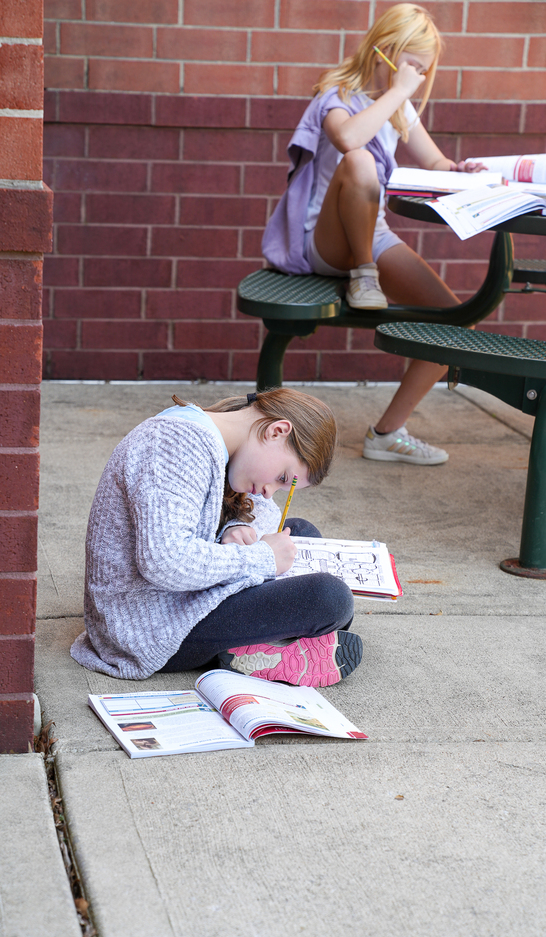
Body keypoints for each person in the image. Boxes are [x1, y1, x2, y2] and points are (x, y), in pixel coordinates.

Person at [262, 3, 486, 467]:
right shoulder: (335, 94)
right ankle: (364, 273)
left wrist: (461, 169)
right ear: (385, 53)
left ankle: (386, 433)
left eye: (424, 71)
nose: (419, 79)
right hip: (322, 244)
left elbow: (436, 162)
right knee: (361, 158)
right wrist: (398, 93)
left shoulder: (397, 106)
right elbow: (348, 140)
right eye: (413, 67)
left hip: (372, 234)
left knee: (456, 318)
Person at [71, 388, 362, 688]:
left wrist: (233, 528)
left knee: (301, 534)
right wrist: (260, 558)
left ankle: (258, 649)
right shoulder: (176, 444)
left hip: (181, 598)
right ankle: (267, 648)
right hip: (150, 628)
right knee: (330, 598)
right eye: (282, 478)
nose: (269, 490)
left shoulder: (221, 438)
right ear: (277, 431)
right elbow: (163, 561)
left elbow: (263, 509)